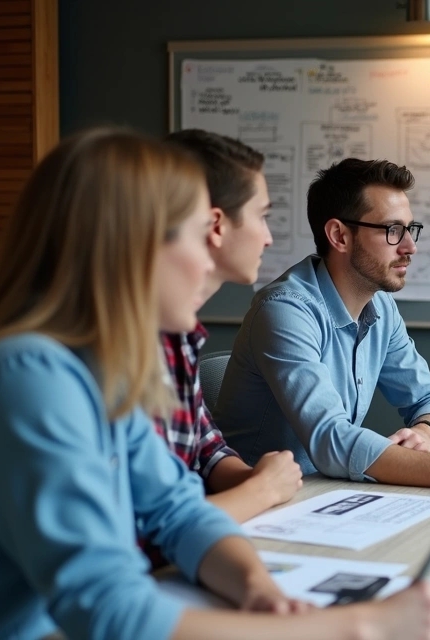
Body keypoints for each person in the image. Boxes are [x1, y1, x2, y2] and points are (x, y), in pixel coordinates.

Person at [0, 129, 430, 639]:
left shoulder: (106, 368)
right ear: (130, 244)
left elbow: (176, 511)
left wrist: (256, 587)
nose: (209, 261)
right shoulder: (30, 379)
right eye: (195, 235)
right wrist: (353, 626)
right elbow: (109, 612)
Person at [215, 158, 430, 497]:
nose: (410, 247)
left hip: (326, 493)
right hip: (259, 504)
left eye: (410, 229)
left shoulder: (380, 307)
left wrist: (425, 433)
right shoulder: (286, 310)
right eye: (392, 231)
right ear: (339, 236)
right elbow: (332, 441)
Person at [157, 129, 302, 524]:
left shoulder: (178, 335)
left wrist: (255, 481)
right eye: (263, 216)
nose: (269, 238)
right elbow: (153, 526)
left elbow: (201, 448)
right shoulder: (59, 363)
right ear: (215, 226)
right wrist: (262, 490)